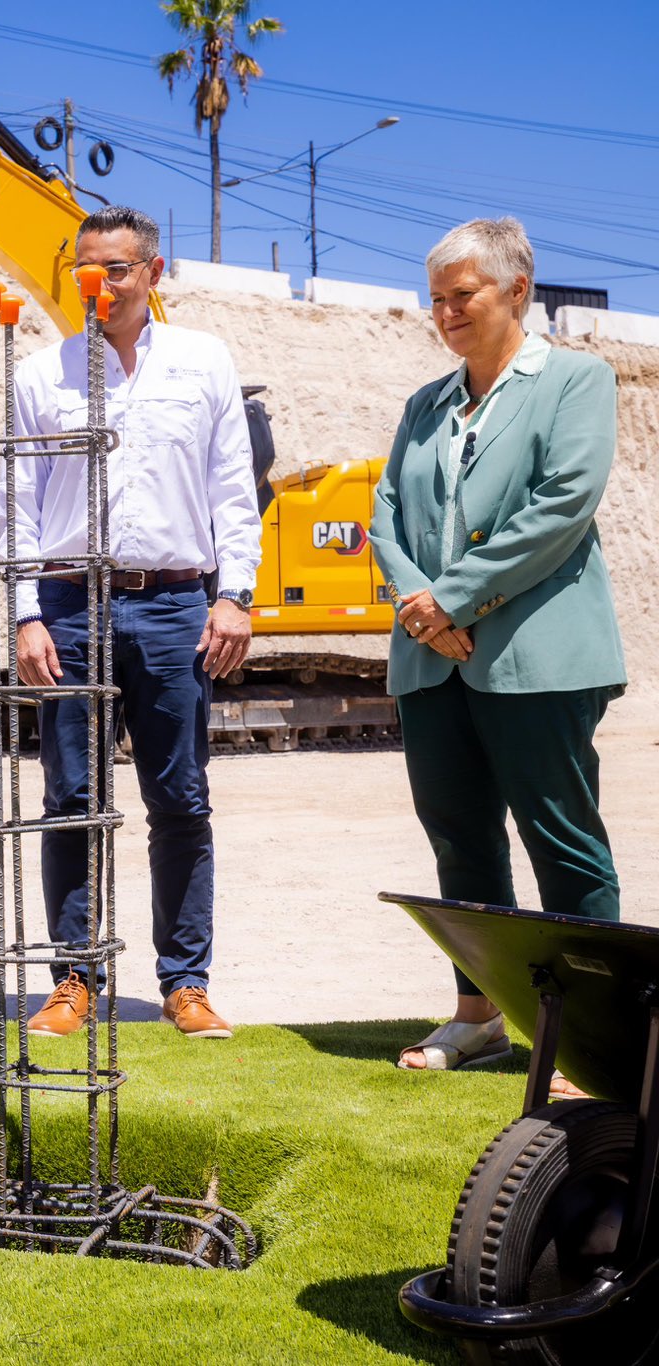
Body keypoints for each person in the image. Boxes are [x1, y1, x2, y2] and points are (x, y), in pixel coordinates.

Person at [370, 219, 625, 1081]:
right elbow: (386, 518)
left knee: (561, 840)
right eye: (436, 298)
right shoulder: (425, 404)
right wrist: (423, 611)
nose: (444, 312)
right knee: (460, 842)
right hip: (431, 659)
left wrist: (449, 597)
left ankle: (594, 1041)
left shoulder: (576, 381)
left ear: (518, 289)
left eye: (462, 295)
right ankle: (478, 1017)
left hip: (536, 655)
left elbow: (562, 506)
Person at [9, 205, 261, 1041]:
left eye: (116, 268)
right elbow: (13, 501)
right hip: (71, 602)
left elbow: (234, 484)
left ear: (153, 272)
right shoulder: (42, 376)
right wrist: (24, 615)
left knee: (180, 799)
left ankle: (185, 983)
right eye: (86, 268)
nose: (99, 284)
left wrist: (236, 594)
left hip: (174, 603)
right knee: (71, 799)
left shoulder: (204, 362)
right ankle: (74, 979)